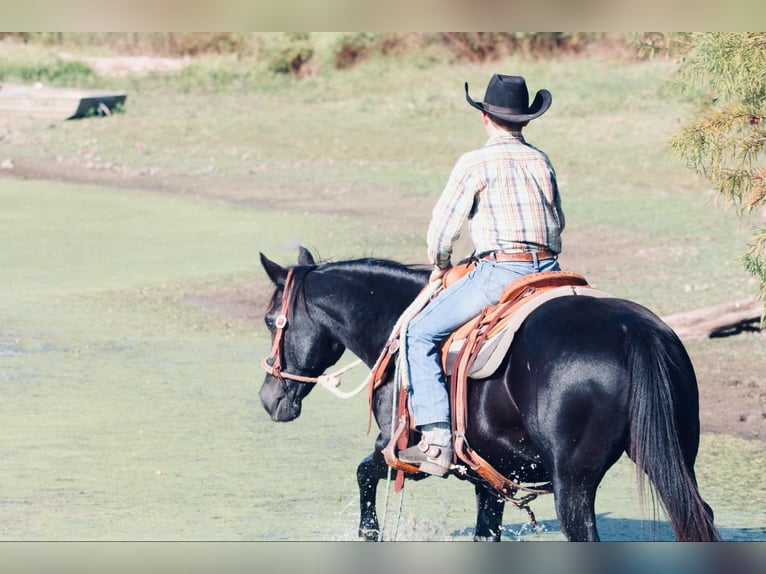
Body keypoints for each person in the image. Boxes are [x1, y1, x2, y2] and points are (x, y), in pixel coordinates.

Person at [397, 74, 566, 477]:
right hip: (551, 270)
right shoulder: (540, 159)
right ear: (525, 120)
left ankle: (436, 441)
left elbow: (442, 231)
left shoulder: (474, 162)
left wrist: (441, 265)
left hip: (501, 271)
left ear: (485, 117)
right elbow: (558, 220)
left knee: (417, 335)